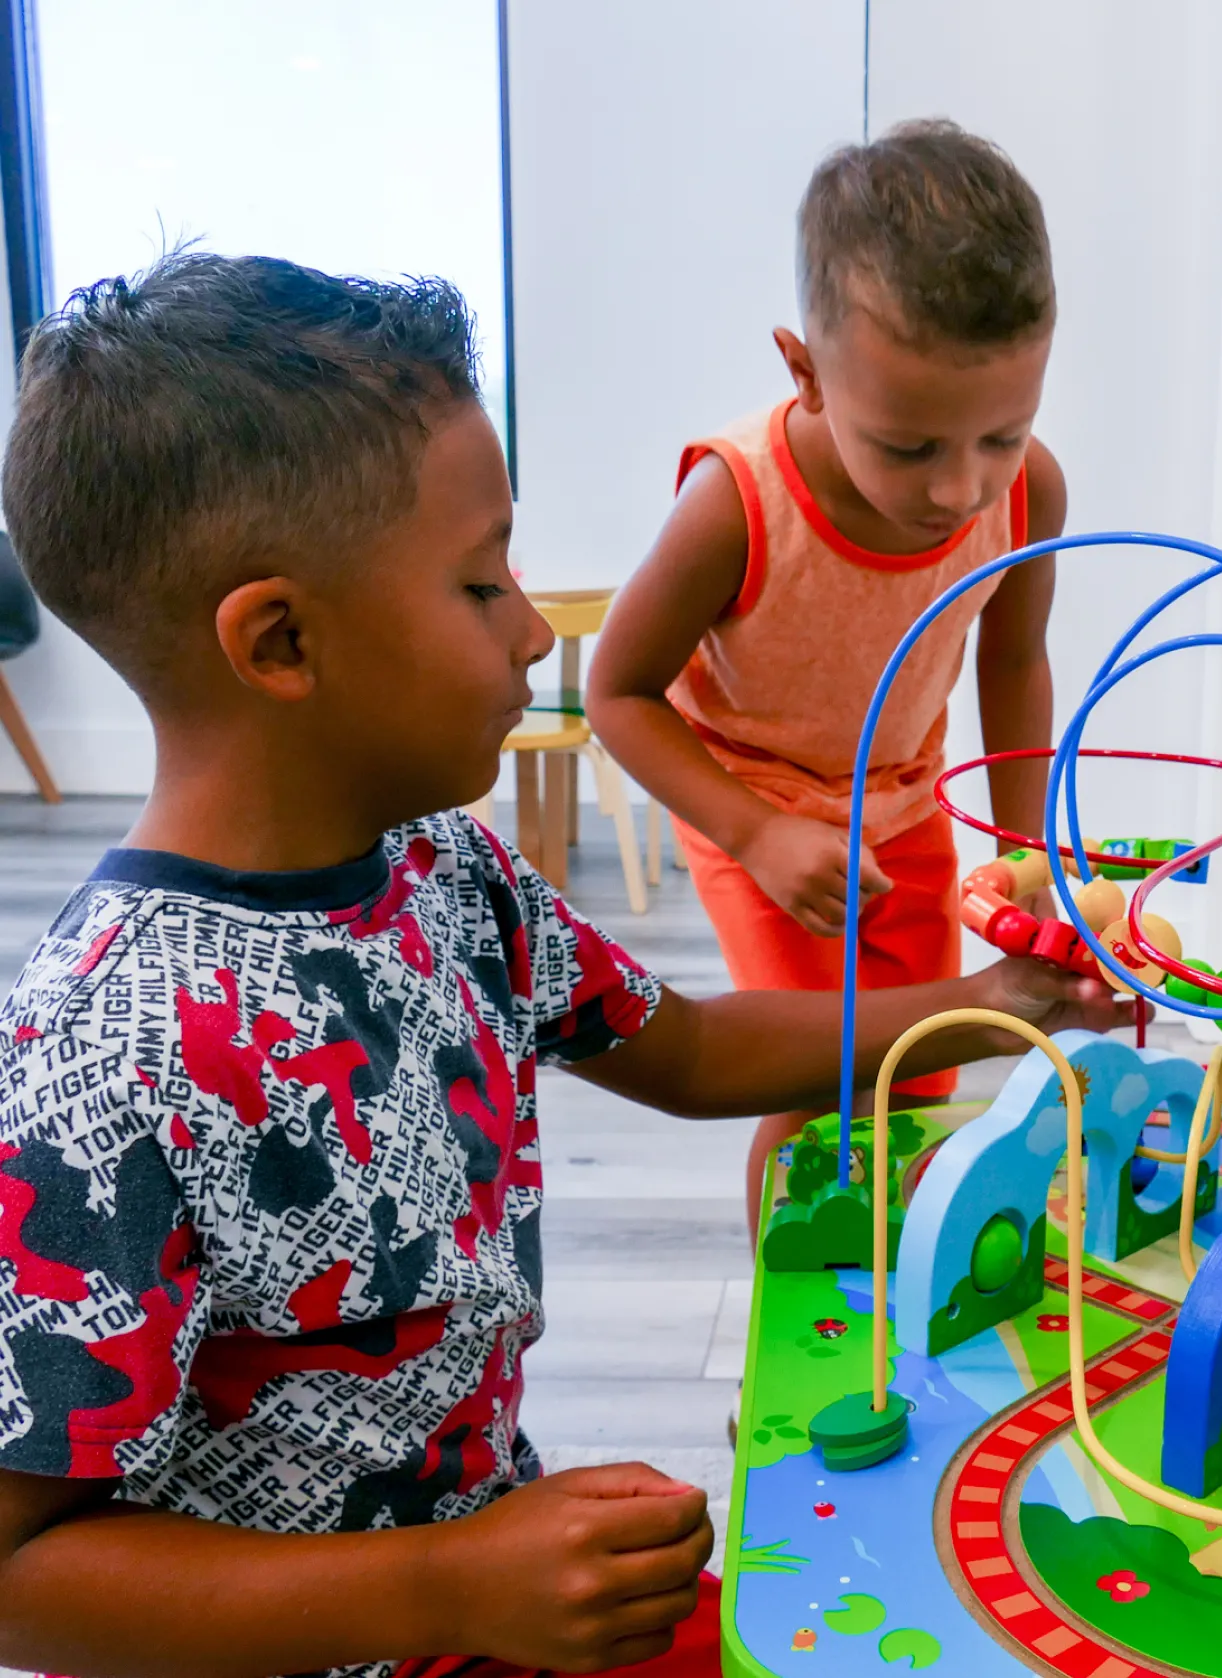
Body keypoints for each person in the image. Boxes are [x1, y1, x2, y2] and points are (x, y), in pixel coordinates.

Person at [0, 254, 1118, 1678]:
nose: (535, 633)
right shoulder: (107, 1054)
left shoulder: (448, 875)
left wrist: (990, 1005)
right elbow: (17, 1575)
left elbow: (699, 1051)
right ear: (281, 639)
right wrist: (443, 1584)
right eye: (481, 584)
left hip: (472, 1582)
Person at [589, 121, 1067, 1238]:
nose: (960, 489)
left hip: (904, 805)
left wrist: (1025, 849)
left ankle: (879, 1312)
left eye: (1002, 433)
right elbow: (617, 695)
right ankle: (782, 1345)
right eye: (909, 447)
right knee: (815, 1079)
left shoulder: (1028, 492)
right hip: (759, 809)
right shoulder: (731, 505)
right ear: (802, 369)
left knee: (919, 1063)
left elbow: (1014, 656)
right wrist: (755, 833)